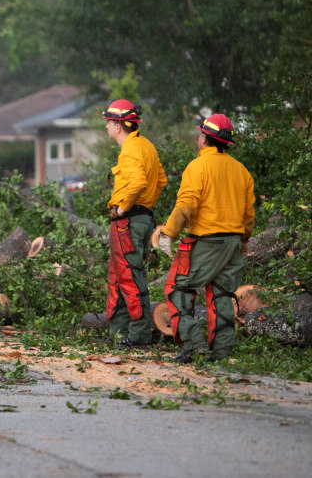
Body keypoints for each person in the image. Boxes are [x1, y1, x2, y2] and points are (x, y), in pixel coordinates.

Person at [157, 113, 254, 363]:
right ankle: (221, 353)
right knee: (222, 294)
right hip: (233, 242)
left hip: (206, 241)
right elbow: (248, 214)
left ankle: (193, 343)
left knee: (177, 287)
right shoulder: (241, 171)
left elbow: (187, 204)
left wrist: (169, 232)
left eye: (200, 135)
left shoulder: (197, 166)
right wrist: (243, 242)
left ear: (204, 139)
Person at [102, 100, 167, 349]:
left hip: (127, 221)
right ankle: (118, 332)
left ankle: (138, 336)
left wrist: (123, 207)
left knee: (130, 276)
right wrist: (145, 207)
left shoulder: (130, 149)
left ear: (118, 125)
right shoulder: (146, 145)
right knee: (120, 275)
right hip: (142, 218)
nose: (106, 127)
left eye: (108, 122)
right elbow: (160, 181)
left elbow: (139, 182)